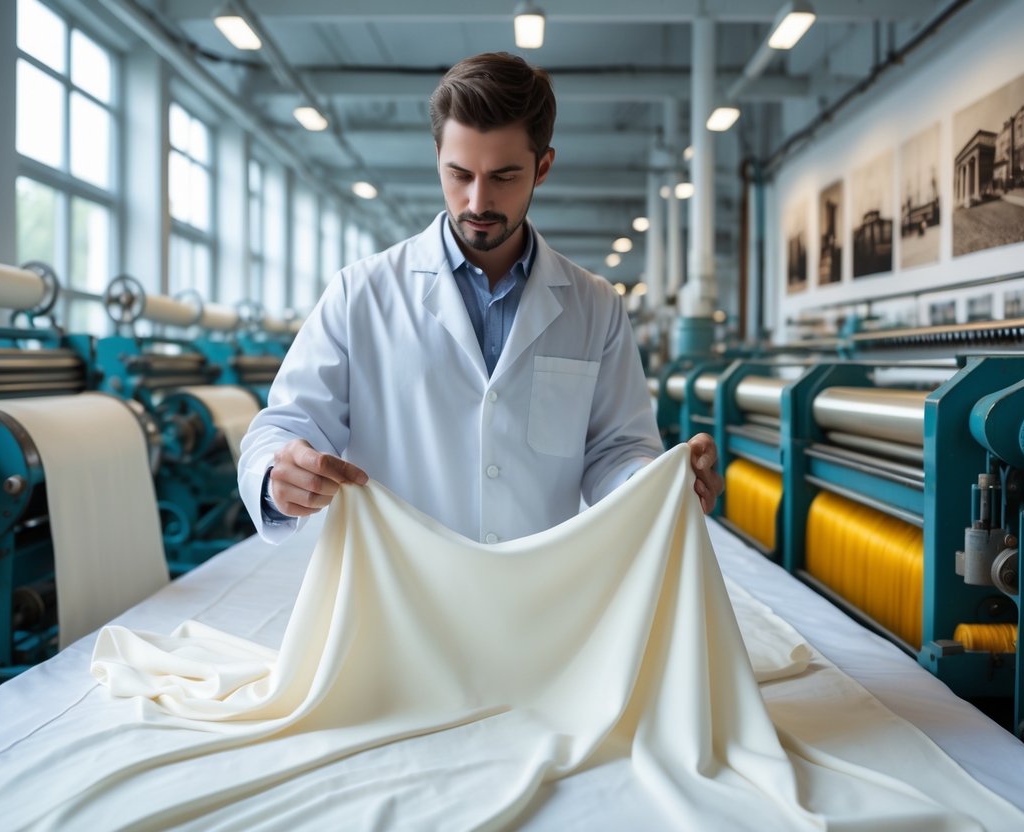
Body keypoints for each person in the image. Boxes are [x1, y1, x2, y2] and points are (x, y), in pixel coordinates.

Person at [238, 52, 723, 545]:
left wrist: (661, 485)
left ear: (543, 167)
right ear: (437, 158)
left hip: (539, 582)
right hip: (399, 579)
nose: (477, 202)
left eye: (504, 176)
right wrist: (279, 476)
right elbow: (285, 427)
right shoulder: (360, 293)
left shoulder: (595, 305)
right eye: (460, 174)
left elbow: (615, 452)